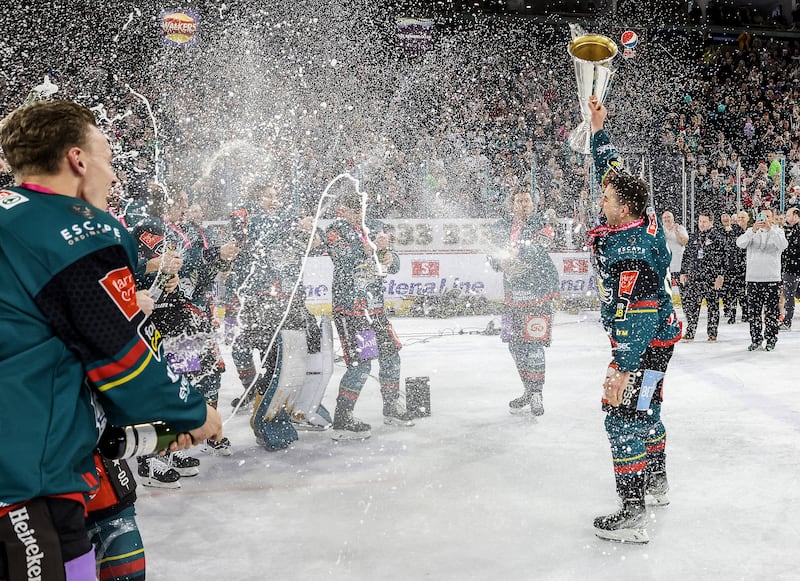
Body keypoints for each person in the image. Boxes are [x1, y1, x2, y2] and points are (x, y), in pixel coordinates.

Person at [0, 100, 221, 580]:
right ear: (78, 160)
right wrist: (194, 412)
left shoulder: (12, 218)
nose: (115, 175)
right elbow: (120, 359)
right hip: (25, 478)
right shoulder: (75, 229)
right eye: (109, 158)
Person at [586, 95, 682, 544]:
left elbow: (635, 314)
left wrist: (622, 367)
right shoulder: (639, 218)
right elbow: (613, 173)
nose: (600, 199)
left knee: (620, 414)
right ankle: (656, 481)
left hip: (641, 342)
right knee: (648, 406)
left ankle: (632, 513)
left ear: (622, 208)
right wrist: (598, 130)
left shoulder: (628, 250)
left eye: (605, 199)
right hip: (661, 340)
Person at [325, 184, 415, 440]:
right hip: (350, 311)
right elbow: (341, 258)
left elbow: (394, 261)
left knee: (391, 355)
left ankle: (390, 407)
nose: (359, 216)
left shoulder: (375, 226)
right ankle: (342, 419)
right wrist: (367, 249)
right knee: (361, 366)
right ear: (343, 211)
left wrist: (389, 257)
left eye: (362, 211)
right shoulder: (335, 230)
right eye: (355, 211)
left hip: (374, 308)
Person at [490, 189, 560, 416]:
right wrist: (500, 261)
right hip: (512, 296)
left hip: (538, 293)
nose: (523, 204)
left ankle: (537, 393)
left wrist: (518, 251)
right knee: (514, 345)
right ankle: (528, 390)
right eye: (519, 200)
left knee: (534, 343)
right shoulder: (501, 226)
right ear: (512, 204)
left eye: (527, 200)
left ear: (533, 204)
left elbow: (542, 245)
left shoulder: (542, 221)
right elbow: (492, 255)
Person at [736, 208, 788, 351]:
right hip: (753, 279)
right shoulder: (751, 231)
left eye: (767, 216)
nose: (764, 219)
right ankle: (756, 339)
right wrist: (752, 230)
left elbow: (783, 245)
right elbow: (740, 243)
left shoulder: (778, 231)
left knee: (771, 312)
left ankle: (771, 339)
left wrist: (770, 229)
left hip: (772, 278)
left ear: (772, 218)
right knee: (754, 313)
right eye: (762, 216)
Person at [679, 210, 726, 341]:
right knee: (692, 306)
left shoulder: (718, 238)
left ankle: (712, 333)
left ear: (711, 222)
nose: (701, 224)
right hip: (695, 276)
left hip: (711, 277)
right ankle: (690, 331)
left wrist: (720, 276)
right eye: (700, 221)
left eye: (704, 221)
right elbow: (686, 255)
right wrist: (683, 272)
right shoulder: (694, 237)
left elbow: (723, 258)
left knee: (713, 306)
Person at [719, 212, 746, 324]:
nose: (725, 218)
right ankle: (731, 313)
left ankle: (745, 313)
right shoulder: (719, 232)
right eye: (723, 216)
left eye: (727, 216)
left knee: (741, 292)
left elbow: (742, 246)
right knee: (730, 292)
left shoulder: (737, 230)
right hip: (727, 267)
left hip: (739, 266)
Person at [781, 207, 800, 330]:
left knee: (789, 295)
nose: (786, 218)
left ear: (795, 215)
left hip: (793, 268)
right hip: (792, 267)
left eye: (788, 215)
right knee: (794, 293)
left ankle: (787, 322)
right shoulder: (790, 229)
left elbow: (791, 249)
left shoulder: (795, 231)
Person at [661, 211, 688, 295]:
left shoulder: (680, 228)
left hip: (679, 267)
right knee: (666, 293)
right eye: (664, 218)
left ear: (673, 219)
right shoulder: (659, 231)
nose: (666, 219)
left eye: (668, 217)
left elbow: (685, 242)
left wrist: (677, 232)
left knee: (683, 293)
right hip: (665, 268)